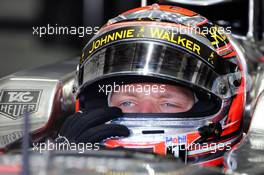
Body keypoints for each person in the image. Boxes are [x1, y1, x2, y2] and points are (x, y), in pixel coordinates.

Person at [59, 4, 247, 166]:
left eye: (168, 103)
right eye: (127, 103)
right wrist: (63, 163)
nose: (145, 111)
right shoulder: (71, 152)